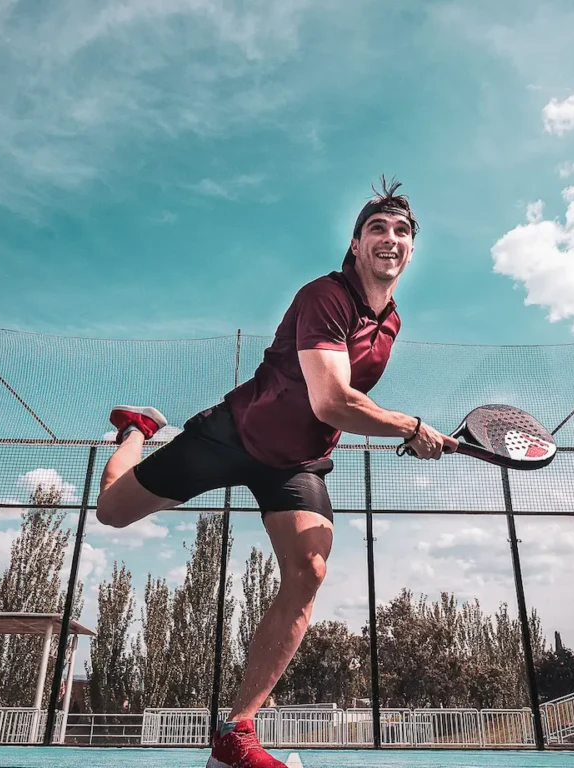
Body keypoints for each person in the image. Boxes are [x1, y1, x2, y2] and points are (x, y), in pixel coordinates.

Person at [94, 178, 456, 768]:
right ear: (356, 244)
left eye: (402, 231)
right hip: (235, 435)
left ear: (411, 249)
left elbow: (339, 409)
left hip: (297, 463)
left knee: (309, 568)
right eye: (378, 229)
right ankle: (136, 427)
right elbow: (333, 401)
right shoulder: (325, 296)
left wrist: (403, 431)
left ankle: (235, 736)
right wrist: (410, 427)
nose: (391, 238)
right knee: (112, 511)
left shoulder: (391, 322)